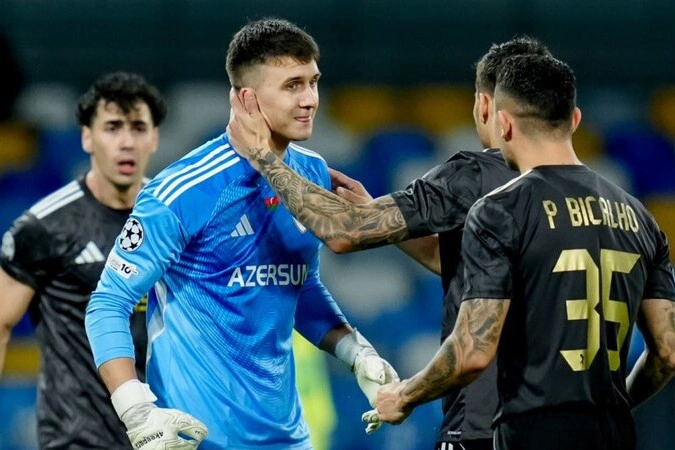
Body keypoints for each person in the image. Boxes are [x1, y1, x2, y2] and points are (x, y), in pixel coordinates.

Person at [85, 18, 398, 450]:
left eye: (313, 82)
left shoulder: (310, 173)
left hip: (288, 438)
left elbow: (297, 282)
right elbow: (107, 303)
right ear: (248, 99)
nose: (310, 100)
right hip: (196, 437)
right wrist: (135, 409)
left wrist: (355, 352)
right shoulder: (183, 190)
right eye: (292, 86)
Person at [227, 36, 551, 450]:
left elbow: (341, 232)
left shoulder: (473, 176)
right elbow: (475, 267)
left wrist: (263, 156)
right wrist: (388, 225)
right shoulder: (598, 197)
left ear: (486, 105)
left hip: (487, 424)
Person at [369, 54, 675, 450]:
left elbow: (472, 353)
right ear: (575, 120)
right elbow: (667, 353)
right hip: (612, 434)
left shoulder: (501, 209)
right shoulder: (640, 217)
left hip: (532, 431)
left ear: (504, 124)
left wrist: (405, 395)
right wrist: (619, 404)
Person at [0, 71, 166, 449]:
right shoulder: (44, 228)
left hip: (163, 436)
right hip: (76, 439)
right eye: (112, 128)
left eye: (138, 128)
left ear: (154, 138)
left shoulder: (177, 219)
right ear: (87, 137)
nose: (126, 142)